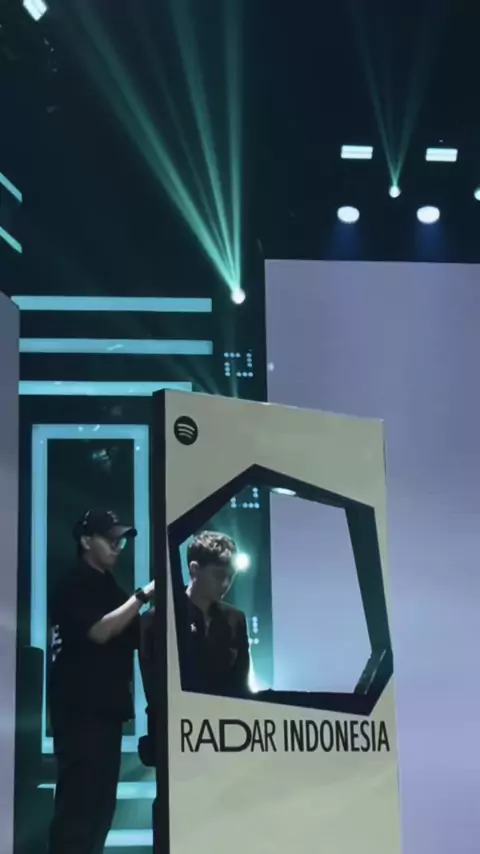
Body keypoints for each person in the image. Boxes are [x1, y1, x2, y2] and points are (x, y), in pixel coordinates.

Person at [47, 509, 155, 854]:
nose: (118, 545)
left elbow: (134, 633)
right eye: (110, 539)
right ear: (85, 541)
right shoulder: (73, 584)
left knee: (100, 811)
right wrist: (142, 596)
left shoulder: (109, 587)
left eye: (120, 540)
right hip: (79, 715)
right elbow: (99, 631)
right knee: (78, 812)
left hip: (106, 714)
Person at [139, 531, 250, 765]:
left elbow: (241, 682)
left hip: (226, 735)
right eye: (219, 575)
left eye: (231, 576)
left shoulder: (235, 619)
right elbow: (156, 689)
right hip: (177, 737)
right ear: (194, 569)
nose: (225, 584)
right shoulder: (158, 620)